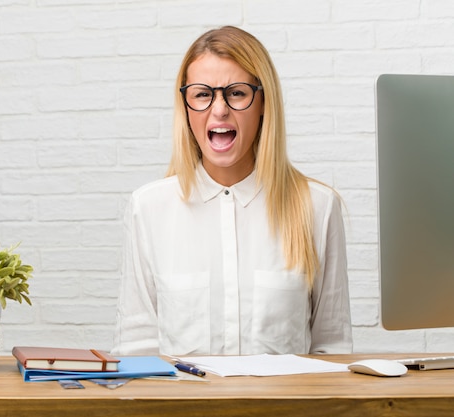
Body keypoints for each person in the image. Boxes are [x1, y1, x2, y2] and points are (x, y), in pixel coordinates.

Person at [111, 26, 352, 356]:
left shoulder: (318, 207)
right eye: (202, 94)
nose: (219, 109)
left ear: (263, 102)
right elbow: (136, 348)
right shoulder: (149, 208)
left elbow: (333, 348)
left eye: (237, 93)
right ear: (185, 105)